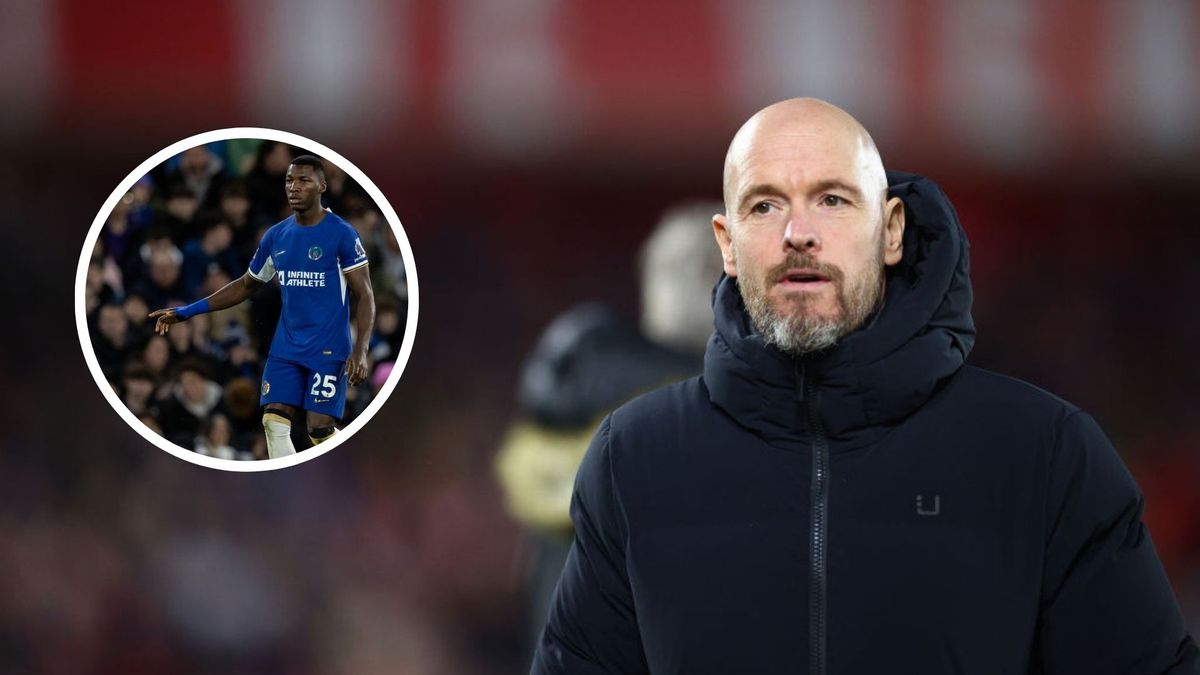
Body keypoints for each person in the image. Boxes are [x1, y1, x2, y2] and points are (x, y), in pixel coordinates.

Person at [531, 98, 1198, 674]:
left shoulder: (1045, 456)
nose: (799, 234)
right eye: (766, 205)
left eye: (832, 199)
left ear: (892, 230)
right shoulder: (634, 459)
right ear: (727, 243)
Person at [150, 154, 375, 459]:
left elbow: (365, 295)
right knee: (273, 421)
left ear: (322, 185)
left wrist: (361, 349)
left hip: (328, 347)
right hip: (286, 347)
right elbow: (246, 285)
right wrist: (187, 311)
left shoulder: (342, 234)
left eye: (303, 180)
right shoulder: (277, 236)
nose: (294, 187)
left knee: (318, 430)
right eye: (289, 180)